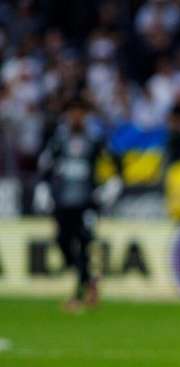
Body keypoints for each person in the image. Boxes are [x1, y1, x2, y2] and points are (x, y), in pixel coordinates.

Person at [33, 97, 122, 311]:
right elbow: (45, 165)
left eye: (80, 112)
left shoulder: (95, 139)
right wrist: (43, 188)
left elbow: (115, 162)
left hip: (86, 202)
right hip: (63, 201)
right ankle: (89, 280)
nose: (76, 116)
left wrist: (111, 186)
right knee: (62, 241)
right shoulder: (58, 140)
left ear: (86, 115)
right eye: (73, 112)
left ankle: (78, 296)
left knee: (83, 245)